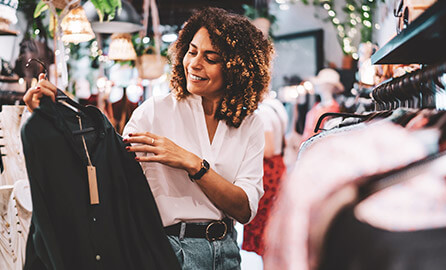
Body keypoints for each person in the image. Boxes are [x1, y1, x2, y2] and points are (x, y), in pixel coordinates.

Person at [23, 6, 274, 270]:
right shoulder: (157, 110)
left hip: (226, 253)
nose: (194, 64)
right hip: (168, 251)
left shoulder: (249, 124)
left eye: (211, 58)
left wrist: (192, 163)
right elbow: (108, 160)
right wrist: (57, 111)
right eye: (192, 51)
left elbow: (244, 209)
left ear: (237, 68)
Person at [242, 94, 288, 258]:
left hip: (267, 170)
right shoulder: (276, 106)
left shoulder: (261, 113)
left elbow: (267, 149)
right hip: (278, 164)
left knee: (263, 223)